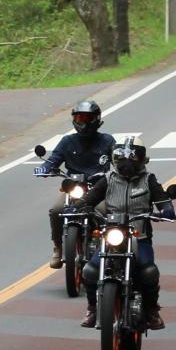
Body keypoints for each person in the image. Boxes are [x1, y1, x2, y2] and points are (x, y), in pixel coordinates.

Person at [79, 136, 176, 331]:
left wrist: (167, 209)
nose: (127, 162)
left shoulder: (148, 180)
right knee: (89, 271)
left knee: (149, 272)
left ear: (142, 158)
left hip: (139, 238)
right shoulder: (107, 179)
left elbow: (162, 198)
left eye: (132, 157)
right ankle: (93, 308)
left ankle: (151, 311)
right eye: (122, 157)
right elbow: (90, 198)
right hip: (111, 236)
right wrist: (80, 207)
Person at [35, 99, 118, 267]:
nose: (84, 123)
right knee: (56, 210)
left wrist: (120, 169)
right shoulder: (67, 141)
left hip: (98, 188)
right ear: (74, 120)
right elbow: (53, 160)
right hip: (73, 188)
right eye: (80, 118)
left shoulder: (107, 141)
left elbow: (118, 160)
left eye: (88, 118)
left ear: (97, 119)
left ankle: (109, 248)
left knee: (103, 211)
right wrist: (43, 168)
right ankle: (58, 248)